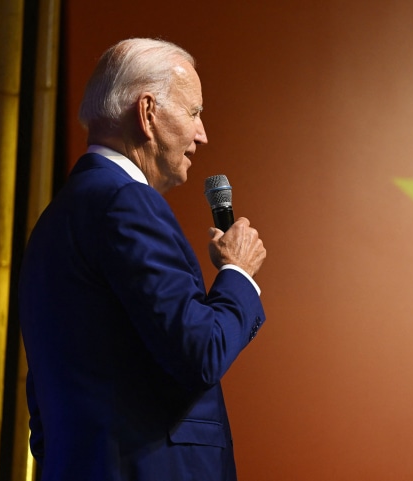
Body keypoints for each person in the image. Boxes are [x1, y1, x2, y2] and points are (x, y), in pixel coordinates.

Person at [18, 38, 266, 481]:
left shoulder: (56, 218)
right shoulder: (125, 202)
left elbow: (43, 393)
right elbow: (201, 353)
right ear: (148, 112)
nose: (202, 133)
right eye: (194, 113)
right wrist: (237, 275)